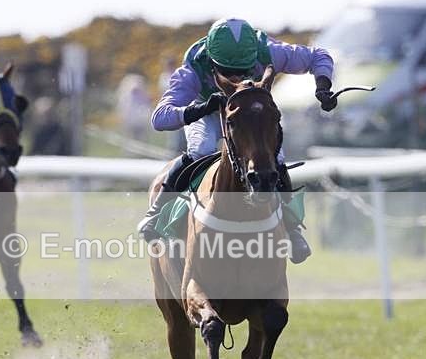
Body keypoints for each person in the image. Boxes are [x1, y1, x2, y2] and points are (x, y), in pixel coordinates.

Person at [138, 18, 336, 263]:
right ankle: (157, 212)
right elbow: (159, 118)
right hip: (208, 112)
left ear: (254, 56)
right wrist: (197, 110)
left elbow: (318, 56)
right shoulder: (193, 69)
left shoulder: (270, 51)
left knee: (275, 158)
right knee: (201, 149)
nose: (237, 78)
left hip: (251, 116)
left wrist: (323, 87)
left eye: (244, 71)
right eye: (229, 72)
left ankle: (291, 226)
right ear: (212, 61)